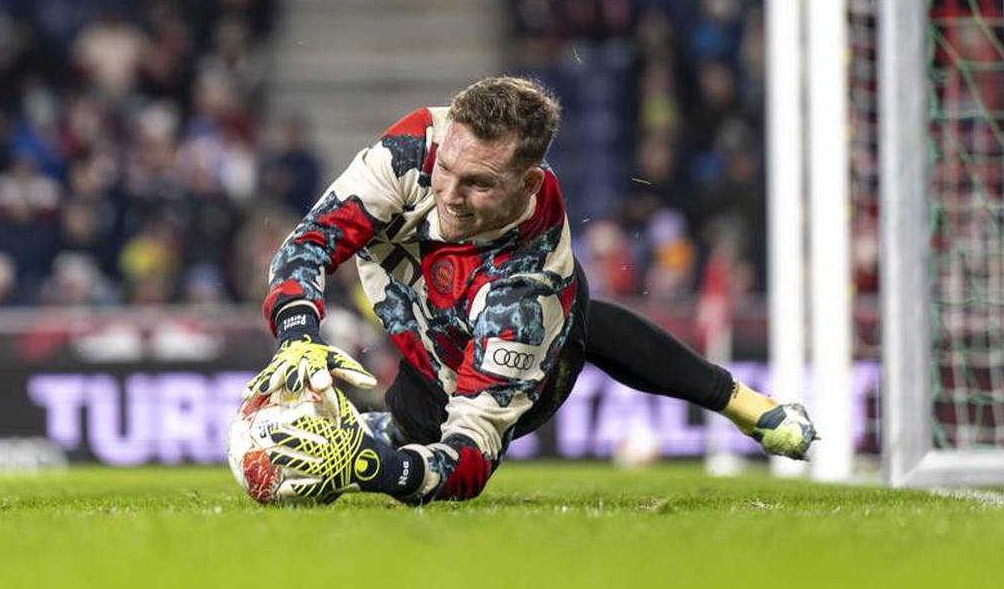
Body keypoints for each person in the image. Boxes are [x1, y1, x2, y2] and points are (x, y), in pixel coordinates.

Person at [242, 76, 816, 504]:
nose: (450, 194)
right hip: (419, 331)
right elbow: (311, 241)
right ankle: (378, 431)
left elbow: (470, 462)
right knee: (409, 417)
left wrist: (376, 472)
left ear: (529, 181)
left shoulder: (529, 289)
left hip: (519, 370)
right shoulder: (414, 146)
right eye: (447, 169)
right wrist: (296, 335)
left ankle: (741, 402)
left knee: (572, 323)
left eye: (480, 184)